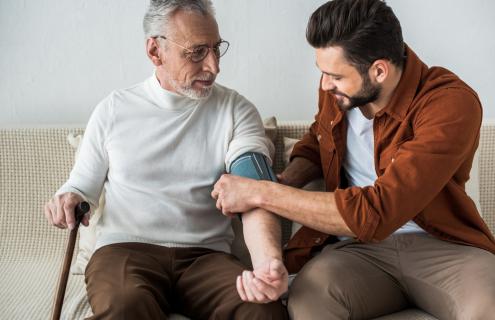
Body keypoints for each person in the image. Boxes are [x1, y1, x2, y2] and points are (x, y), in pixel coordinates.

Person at [211, 0, 495, 319]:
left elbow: (379, 211)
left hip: (442, 246)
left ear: (378, 70)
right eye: (322, 72)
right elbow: (319, 143)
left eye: (335, 76)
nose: (324, 84)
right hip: (357, 251)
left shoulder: (450, 103)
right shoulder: (340, 92)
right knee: (307, 303)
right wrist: (288, 179)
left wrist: (260, 191)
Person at [44, 0, 288, 319]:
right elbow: (81, 185)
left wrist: (269, 266)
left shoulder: (236, 110)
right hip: (124, 251)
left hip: (206, 257)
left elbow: (256, 191)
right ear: (155, 51)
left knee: (263, 312)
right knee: (126, 307)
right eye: (197, 52)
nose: (214, 66)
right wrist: (69, 198)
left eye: (216, 49)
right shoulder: (114, 109)